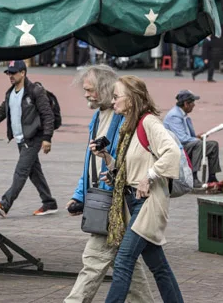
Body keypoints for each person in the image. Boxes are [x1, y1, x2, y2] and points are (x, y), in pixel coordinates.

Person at [65, 66, 153, 303]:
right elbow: (89, 163)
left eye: (89, 90)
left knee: (93, 261)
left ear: (104, 88)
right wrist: (79, 196)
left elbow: (128, 160)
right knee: (128, 267)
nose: (86, 95)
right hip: (102, 200)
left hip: (116, 203)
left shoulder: (123, 117)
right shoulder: (96, 118)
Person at [94, 75, 183, 303]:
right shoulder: (130, 126)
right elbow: (131, 167)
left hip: (147, 202)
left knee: (124, 261)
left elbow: (172, 152)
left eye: (116, 97)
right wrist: (108, 159)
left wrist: (149, 176)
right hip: (134, 202)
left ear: (132, 99)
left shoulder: (148, 123)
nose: (113, 102)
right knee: (159, 267)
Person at [0, 60, 57, 217]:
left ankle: (5, 204)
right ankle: (49, 203)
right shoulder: (10, 93)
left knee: (21, 171)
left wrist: (47, 138)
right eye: (8, 73)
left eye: (13, 72)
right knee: (34, 172)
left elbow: (47, 115)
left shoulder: (35, 91)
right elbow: (3, 110)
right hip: (20, 139)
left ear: (23, 73)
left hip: (33, 137)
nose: (10, 75)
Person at [163, 90, 221, 188]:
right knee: (197, 144)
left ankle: (212, 176)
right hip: (177, 148)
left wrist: (197, 137)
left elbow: (187, 137)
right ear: (186, 104)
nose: (194, 105)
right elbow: (182, 138)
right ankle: (193, 177)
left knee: (213, 145)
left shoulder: (182, 114)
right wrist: (197, 140)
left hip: (186, 145)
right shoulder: (174, 115)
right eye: (192, 102)